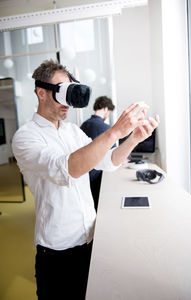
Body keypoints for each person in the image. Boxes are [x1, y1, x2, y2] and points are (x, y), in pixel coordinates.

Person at [12, 59, 159, 300]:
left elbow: (106, 161)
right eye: (63, 91)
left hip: (90, 240)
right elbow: (67, 169)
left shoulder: (72, 131)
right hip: (57, 252)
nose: (69, 102)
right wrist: (113, 132)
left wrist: (133, 139)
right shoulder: (25, 137)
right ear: (41, 93)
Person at [80, 96, 116, 210]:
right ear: (106, 109)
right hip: (97, 176)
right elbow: (112, 154)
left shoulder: (83, 125)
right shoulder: (106, 128)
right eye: (109, 112)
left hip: (82, 174)